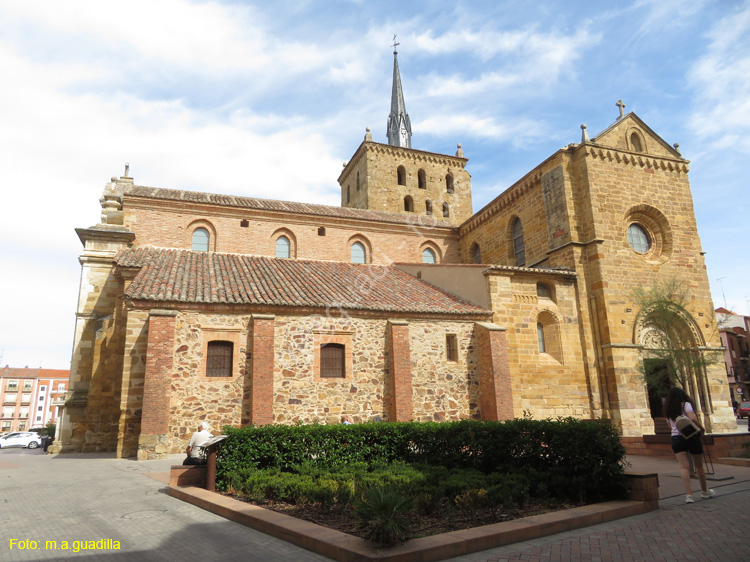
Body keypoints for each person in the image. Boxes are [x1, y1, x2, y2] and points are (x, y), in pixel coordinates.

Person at [663, 387, 716, 503]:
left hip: (676, 438)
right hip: (691, 435)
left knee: (683, 467)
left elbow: (670, 427)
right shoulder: (685, 404)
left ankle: (689, 495)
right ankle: (704, 491)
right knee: (699, 466)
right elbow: (692, 418)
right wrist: (701, 428)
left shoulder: (668, 410)